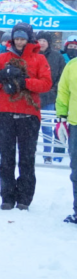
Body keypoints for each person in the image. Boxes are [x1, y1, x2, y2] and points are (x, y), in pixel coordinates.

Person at [0, 22, 53, 211]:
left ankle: (24, 197)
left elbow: (46, 84)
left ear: (29, 39)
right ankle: (7, 196)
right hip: (5, 112)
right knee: (6, 157)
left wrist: (24, 82)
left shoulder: (39, 59)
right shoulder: (2, 57)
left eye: (23, 38)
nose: (19, 41)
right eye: (17, 38)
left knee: (26, 158)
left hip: (29, 114)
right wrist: (1, 76)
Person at [36, 32, 67, 163]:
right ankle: (27, 154)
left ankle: (47, 154)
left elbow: (61, 76)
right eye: (40, 40)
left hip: (49, 97)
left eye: (44, 40)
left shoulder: (57, 57)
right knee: (29, 129)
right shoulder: (32, 56)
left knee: (47, 129)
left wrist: (53, 91)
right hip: (32, 97)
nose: (42, 43)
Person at [55, 54, 77, 223]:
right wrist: (61, 117)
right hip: (75, 124)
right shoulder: (72, 65)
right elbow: (63, 91)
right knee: (76, 170)